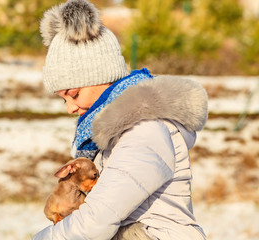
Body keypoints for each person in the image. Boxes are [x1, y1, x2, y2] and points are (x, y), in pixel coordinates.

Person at [34, 0, 208, 239]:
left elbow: (97, 221)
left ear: (101, 75)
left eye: (73, 94)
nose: (70, 108)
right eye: (63, 100)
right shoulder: (112, 136)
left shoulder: (144, 130)